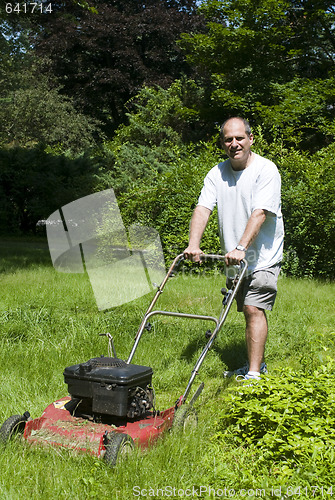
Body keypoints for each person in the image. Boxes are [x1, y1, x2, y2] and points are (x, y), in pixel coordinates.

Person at [184, 117, 284, 381]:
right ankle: (256, 364)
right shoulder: (216, 173)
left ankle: (253, 374)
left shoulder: (266, 170)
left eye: (239, 138)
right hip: (235, 259)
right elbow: (203, 208)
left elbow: (260, 213)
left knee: (253, 308)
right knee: (245, 311)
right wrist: (194, 244)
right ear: (222, 143)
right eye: (228, 139)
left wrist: (241, 246)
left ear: (251, 139)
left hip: (262, 256)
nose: (234, 144)